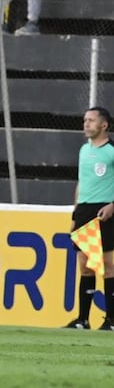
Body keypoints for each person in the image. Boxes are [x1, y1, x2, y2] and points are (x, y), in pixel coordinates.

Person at [64, 107, 114, 331]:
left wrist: (113, 205)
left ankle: (111, 320)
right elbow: (81, 183)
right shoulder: (84, 150)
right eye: (85, 120)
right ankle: (82, 319)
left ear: (104, 125)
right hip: (84, 210)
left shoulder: (111, 151)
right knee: (85, 266)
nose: (86, 124)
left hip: (104, 210)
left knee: (108, 265)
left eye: (91, 121)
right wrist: (75, 214)